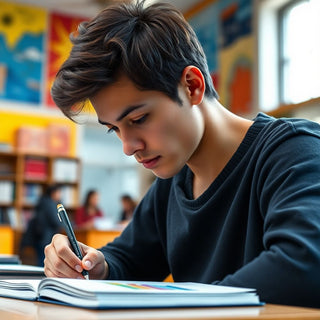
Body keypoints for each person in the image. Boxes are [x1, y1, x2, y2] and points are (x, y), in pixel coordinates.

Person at [44, 0, 320, 308]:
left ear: (191, 86)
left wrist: (186, 306)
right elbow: (128, 259)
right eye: (115, 129)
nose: (128, 146)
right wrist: (94, 266)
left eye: (138, 120)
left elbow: (304, 265)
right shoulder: (171, 184)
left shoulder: (296, 151)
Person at [28, 184, 62, 266]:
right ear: (53, 193)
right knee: (44, 262)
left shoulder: (43, 202)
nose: (60, 195)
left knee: (41, 260)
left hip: (39, 237)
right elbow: (56, 221)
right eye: (59, 193)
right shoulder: (50, 204)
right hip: (45, 238)